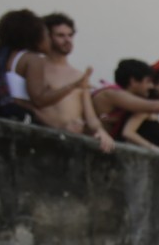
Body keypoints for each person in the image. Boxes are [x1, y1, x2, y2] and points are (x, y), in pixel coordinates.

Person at [30, 13, 115, 152]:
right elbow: (33, 105)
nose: (67, 40)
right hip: (46, 140)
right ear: (47, 37)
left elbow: (90, 115)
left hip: (73, 142)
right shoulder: (38, 69)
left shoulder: (79, 75)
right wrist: (58, 126)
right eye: (61, 35)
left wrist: (101, 131)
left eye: (70, 35)